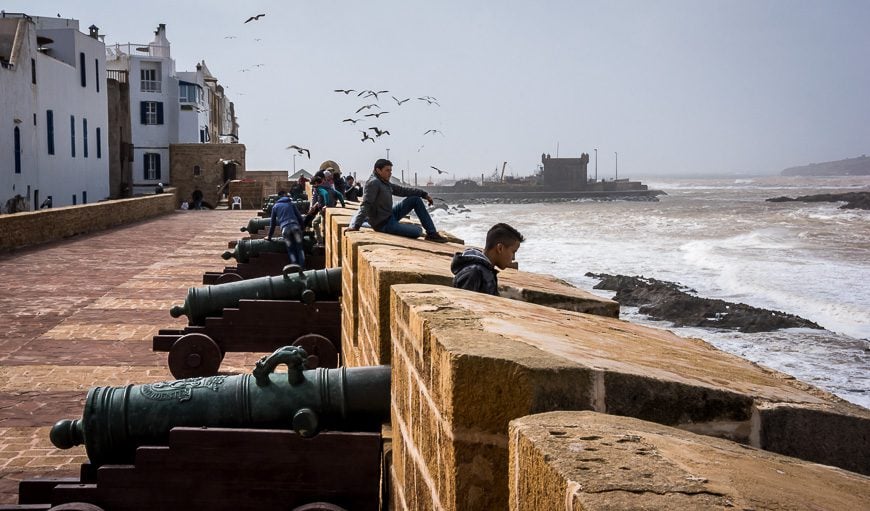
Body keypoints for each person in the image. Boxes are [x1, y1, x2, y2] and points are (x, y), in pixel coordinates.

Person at [347, 158, 447, 242]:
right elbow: (366, 204)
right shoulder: (373, 183)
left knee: (415, 199)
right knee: (418, 231)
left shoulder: (384, 182)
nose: (390, 173)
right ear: (378, 170)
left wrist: (423, 194)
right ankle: (412, 229)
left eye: (390, 170)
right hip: (383, 224)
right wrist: (356, 226)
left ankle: (432, 233)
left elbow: (403, 191)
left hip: (390, 215)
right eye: (387, 170)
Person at [451, 223, 524, 296]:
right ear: (500, 248)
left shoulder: (486, 270)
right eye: (513, 252)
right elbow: (463, 304)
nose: (513, 258)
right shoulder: (473, 273)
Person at [266, 190, 306, 267]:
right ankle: (303, 268)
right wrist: (302, 228)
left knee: (291, 250)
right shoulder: (291, 204)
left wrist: (269, 236)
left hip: (285, 229)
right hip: (295, 227)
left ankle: (295, 267)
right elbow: (299, 217)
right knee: (300, 249)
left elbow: (273, 223)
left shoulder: (275, 206)